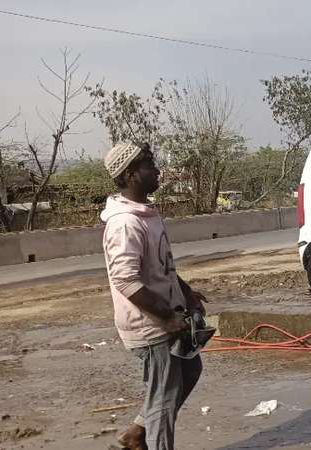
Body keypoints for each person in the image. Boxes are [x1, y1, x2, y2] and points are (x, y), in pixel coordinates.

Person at [102, 143, 206, 450]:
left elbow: (162, 266)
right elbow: (125, 279)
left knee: (190, 370)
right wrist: (166, 316)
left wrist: (185, 292)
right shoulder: (125, 223)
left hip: (165, 317)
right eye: (149, 165)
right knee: (164, 398)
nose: (156, 169)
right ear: (131, 175)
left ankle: (136, 433)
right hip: (149, 325)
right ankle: (146, 439)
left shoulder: (146, 215)